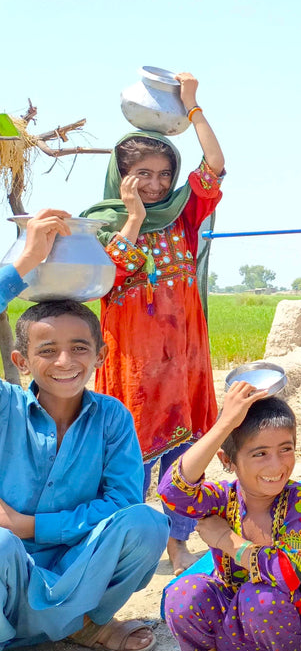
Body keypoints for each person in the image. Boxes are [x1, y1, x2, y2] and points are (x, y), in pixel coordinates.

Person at [0, 209, 168, 651]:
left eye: (79, 348)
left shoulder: (111, 417)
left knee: (147, 523)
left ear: (101, 354)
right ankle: (54, 628)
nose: (64, 362)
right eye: (47, 350)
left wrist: (32, 525)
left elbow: (123, 501)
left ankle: (84, 624)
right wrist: (26, 261)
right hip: (5, 566)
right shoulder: (5, 405)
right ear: (21, 362)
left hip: (79, 564)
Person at [81, 72, 225, 576]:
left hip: (184, 360)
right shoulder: (99, 222)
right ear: (121, 176)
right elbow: (104, 280)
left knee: (186, 454)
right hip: (135, 366)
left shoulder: (184, 217)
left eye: (164, 174)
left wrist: (192, 108)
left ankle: (178, 543)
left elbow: (215, 167)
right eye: (143, 173)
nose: (157, 184)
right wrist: (135, 217)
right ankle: (128, 545)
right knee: (131, 456)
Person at [157, 384, 301, 651]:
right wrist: (224, 425)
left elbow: (288, 574)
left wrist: (227, 542)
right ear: (228, 460)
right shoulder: (220, 498)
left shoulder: (300, 500)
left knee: (259, 594)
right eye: (259, 453)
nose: (276, 466)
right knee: (181, 591)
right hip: (229, 628)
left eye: (285, 449)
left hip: (281, 624)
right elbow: (171, 491)